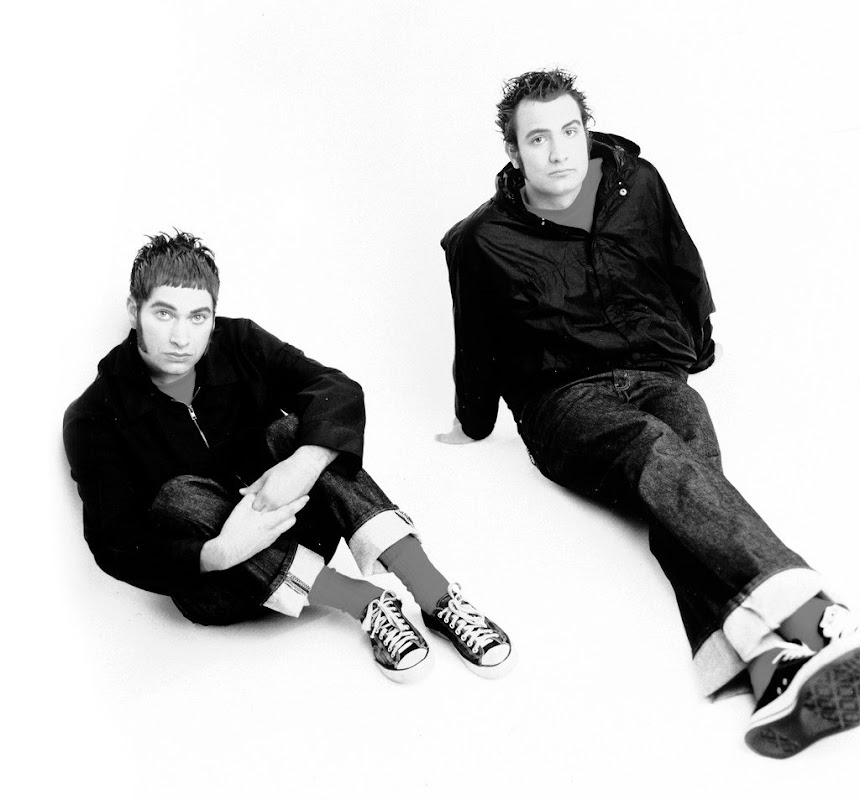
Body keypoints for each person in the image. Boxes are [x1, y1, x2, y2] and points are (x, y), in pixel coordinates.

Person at [438, 68, 859, 756]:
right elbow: (475, 343)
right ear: (513, 152)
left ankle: (767, 670)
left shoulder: (638, 184)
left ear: (587, 130)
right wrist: (473, 423)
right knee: (656, 451)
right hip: (563, 400)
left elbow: (683, 265)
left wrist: (698, 349)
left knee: (689, 469)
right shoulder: (480, 239)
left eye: (569, 131)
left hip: (657, 371)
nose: (559, 151)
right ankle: (813, 616)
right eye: (538, 139)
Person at [63, 231, 513, 683]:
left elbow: (336, 387)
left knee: (297, 432)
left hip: (300, 532)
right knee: (176, 499)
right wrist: (218, 552)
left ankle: (436, 597)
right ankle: (364, 601)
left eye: (198, 317)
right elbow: (115, 544)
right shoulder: (93, 416)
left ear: (213, 317)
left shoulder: (239, 342)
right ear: (134, 310)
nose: (182, 337)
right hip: (222, 585)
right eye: (164, 314)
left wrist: (304, 463)